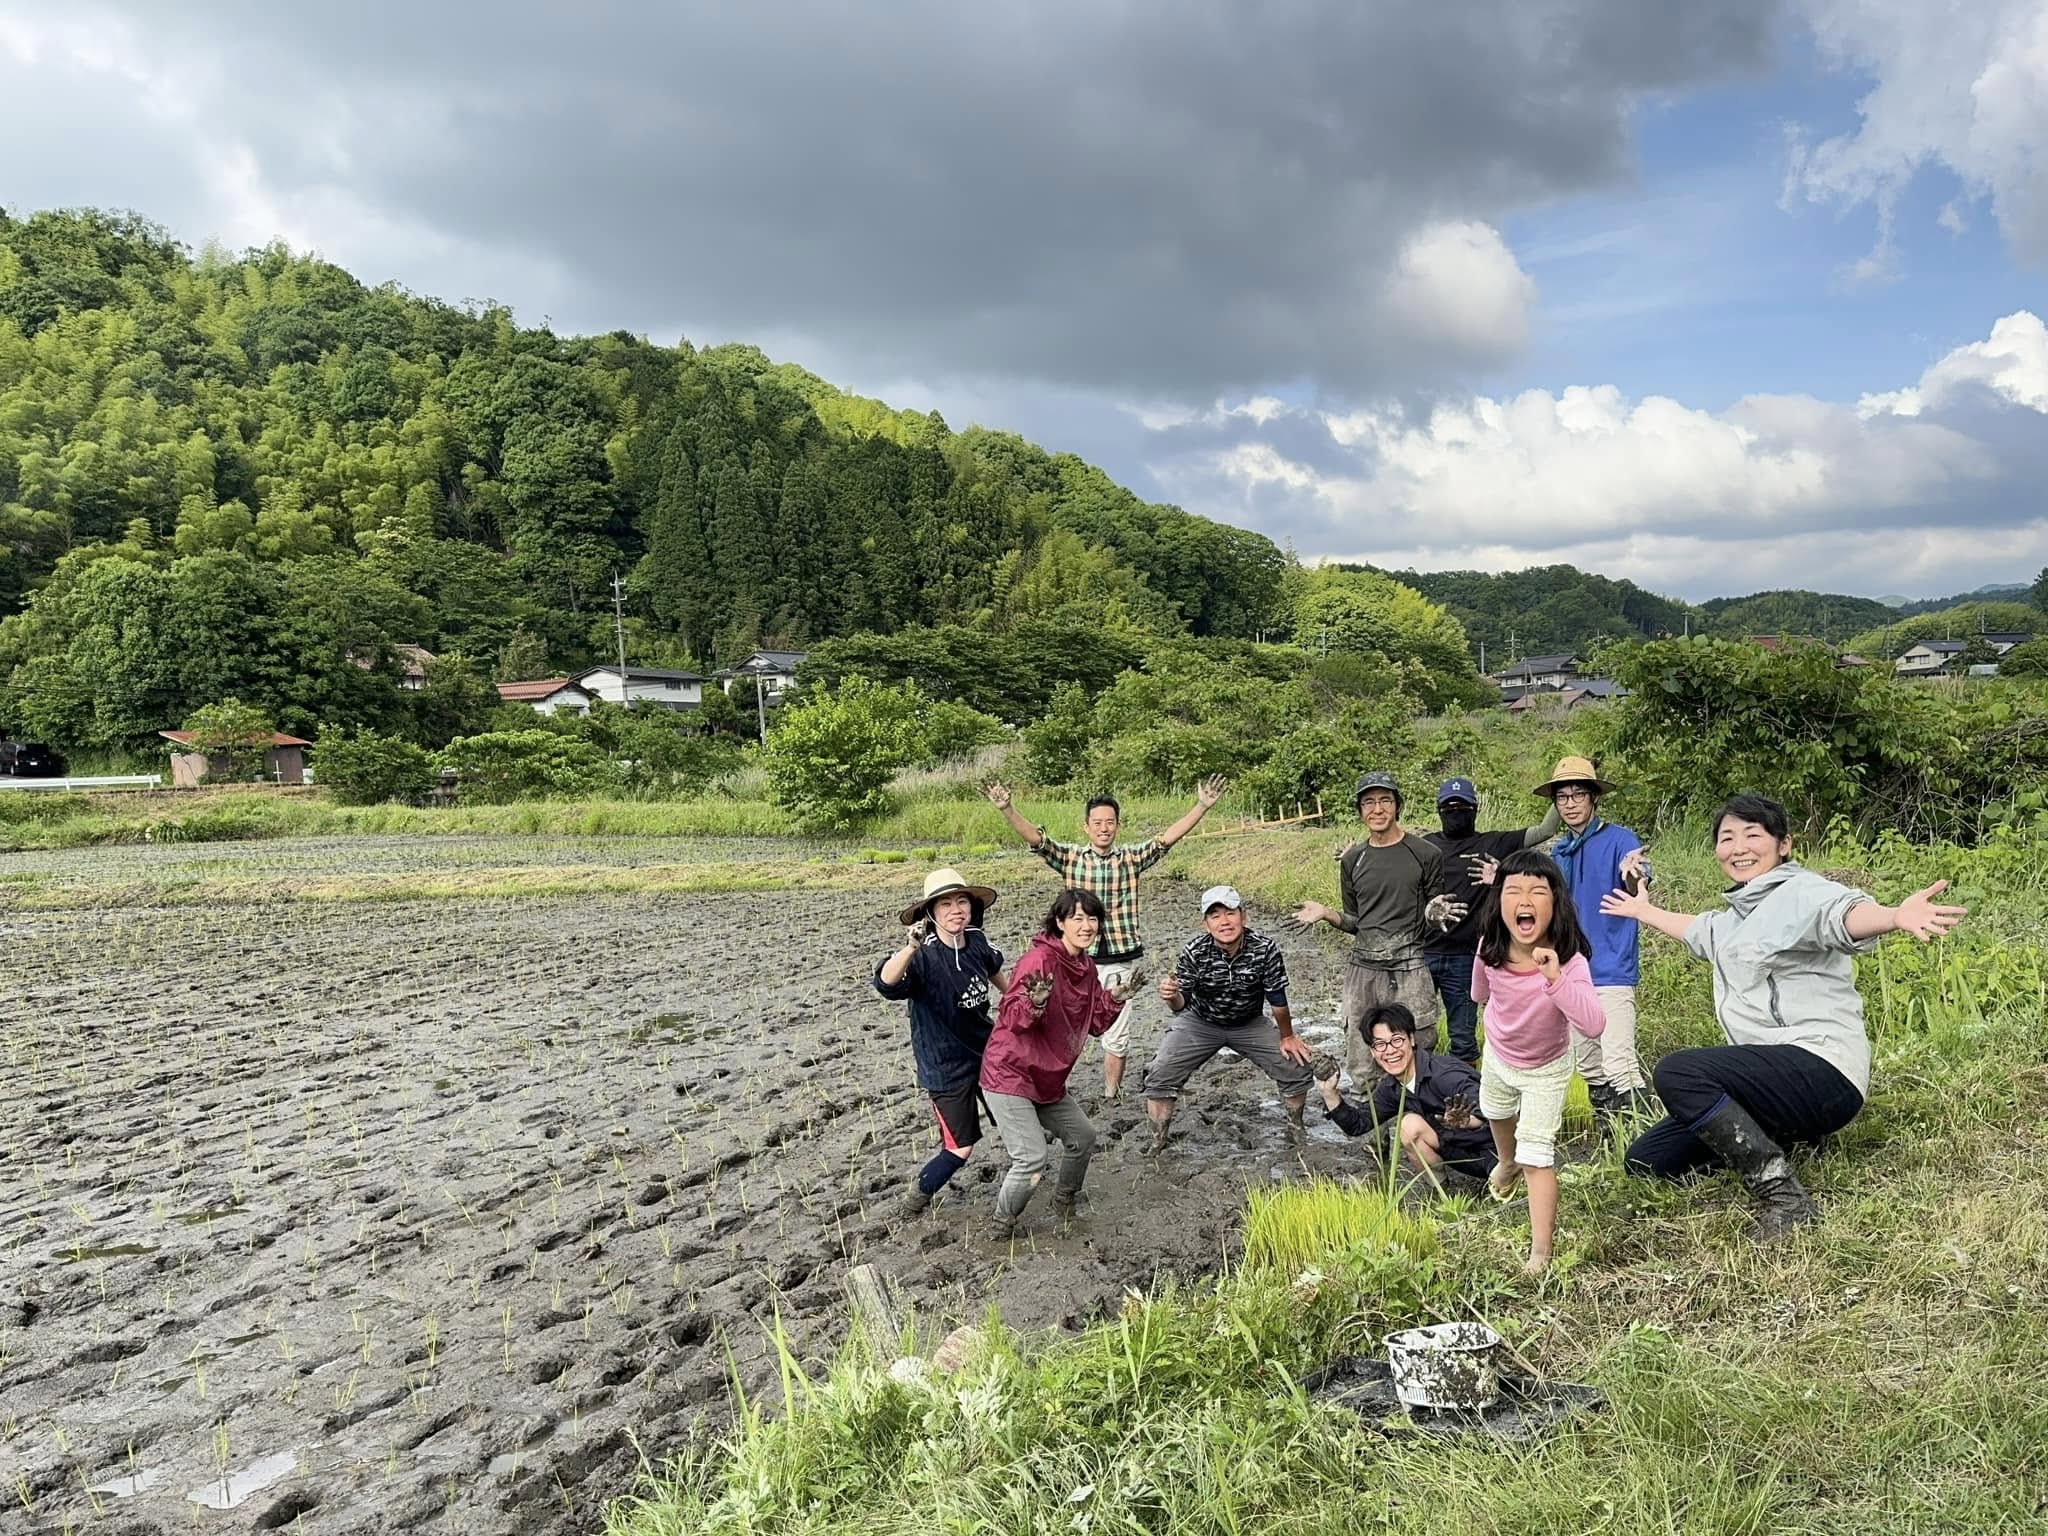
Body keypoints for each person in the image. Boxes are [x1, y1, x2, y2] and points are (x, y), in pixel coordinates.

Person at [1602, 793, 1965, 1238]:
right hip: (1776, 1084)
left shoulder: (1803, 892)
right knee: (1648, 1161)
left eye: (1752, 835)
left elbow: (1842, 915)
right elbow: (1698, 930)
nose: (1738, 848)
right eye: (1726, 838)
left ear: (1784, 844)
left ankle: (1784, 1196)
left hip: (1823, 1068)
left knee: (1679, 1073)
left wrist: (1893, 916)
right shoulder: (1734, 920)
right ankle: (1796, 1135)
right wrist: (1643, 910)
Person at [986, 775, 1229, 1097]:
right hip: (1073, 963)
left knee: (1116, 1033)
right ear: (1086, 827)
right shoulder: (1071, 858)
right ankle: (1046, 1085)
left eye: (1110, 822)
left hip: (1119, 958)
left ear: (1118, 826)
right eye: (1097, 823)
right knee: (1054, 1023)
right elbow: (1038, 840)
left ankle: (1111, 1093)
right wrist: (1007, 808)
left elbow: (1166, 840)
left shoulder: (1130, 859)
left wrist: (1201, 806)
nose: (1104, 828)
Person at [1473, 848, 1609, 1276]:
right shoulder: (1489, 947)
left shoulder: (1570, 962)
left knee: (1537, 1155)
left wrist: (1554, 978)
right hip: (1498, 1053)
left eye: (1537, 891)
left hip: (1547, 1069)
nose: (1524, 899)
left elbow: (1593, 1024)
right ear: (1499, 903)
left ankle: (1541, 1254)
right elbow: (1479, 992)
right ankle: (1505, 1162)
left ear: (1556, 903)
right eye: (1513, 890)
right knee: (1495, 1111)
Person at [980, 888, 1138, 1239]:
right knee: (1031, 1158)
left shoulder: (1086, 966)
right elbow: (1012, 1018)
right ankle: (1001, 1226)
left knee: (1083, 1136)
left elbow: (1094, 1024)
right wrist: (1034, 1004)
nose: (1086, 926)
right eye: (1077, 918)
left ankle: (1064, 1202)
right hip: (1011, 1073)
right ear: (1060, 922)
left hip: (1048, 1078)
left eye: (1092, 918)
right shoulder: (1039, 960)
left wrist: (1116, 998)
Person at [1291, 771, 1465, 1081]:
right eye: (1368, 802)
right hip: (1364, 968)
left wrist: (1434, 913)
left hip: (1409, 966)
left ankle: (1414, 1110)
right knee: (1362, 1056)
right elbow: (1357, 922)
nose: (1377, 809)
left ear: (1397, 806)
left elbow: (1433, 909)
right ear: (1360, 810)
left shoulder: (1426, 854)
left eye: (1385, 800)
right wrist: (1327, 913)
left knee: (1417, 1049)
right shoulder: (1353, 860)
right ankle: (1369, 1111)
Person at [872, 868, 1007, 1219]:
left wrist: (1022, 1001)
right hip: (945, 1067)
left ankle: (1025, 1179)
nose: (956, 910)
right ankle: (914, 1202)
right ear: (930, 913)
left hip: (988, 1054)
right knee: (960, 1149)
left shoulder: (977, 942)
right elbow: (886, 983)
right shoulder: (922, 956)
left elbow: (997, 975)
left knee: (1016, 1121)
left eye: (962, 901)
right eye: (945, 904)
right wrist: (910, 948)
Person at [1142, 884, 1315, 1153]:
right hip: (1200, 1021)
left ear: (1243, 916)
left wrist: (1288, 1036)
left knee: (1295, 1065)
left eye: (1230, 913)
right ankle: (1158, 1140)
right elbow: (1181, 1004)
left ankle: (1296, 1126)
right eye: (1215, 915)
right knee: (1160, 1073)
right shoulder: (1194, 951)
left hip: (1249, 1022)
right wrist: (1171, 995)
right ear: (1206, 924)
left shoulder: (1264, 948)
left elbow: (1278, 1000)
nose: (1224, 922)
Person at [1533, 755, 1651, 1130]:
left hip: (1611, 967)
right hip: (1572, 970)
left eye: (1578, 794)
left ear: (1593, 797)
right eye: (1562, 797)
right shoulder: (1560, 852)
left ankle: (1645, 1141)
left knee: (1619, 1062)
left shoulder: (1620, 840)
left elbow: (1635, 881)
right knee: (1588, 1063)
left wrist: (1633, 875)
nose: (1570, 803)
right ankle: (1609, 1134)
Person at [1422, 776, 1560, 1064]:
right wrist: (1354, 856)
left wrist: (1561, 788)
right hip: (1422, 954)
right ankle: (1416, 1088)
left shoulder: (1493, 843)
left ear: (1475, 809)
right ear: (1439, 811)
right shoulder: (1424, 846)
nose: (1456, 813)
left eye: (1463, 807)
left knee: (1463, 1037)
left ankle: (1464, 1087)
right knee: (1417, 1031)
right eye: (1449, 808)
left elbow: (1546, 830)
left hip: (1465, 957)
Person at [1311, 1002, 1497, 1184]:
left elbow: (1493, 1108)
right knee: (1409, 1126)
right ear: (1372, 1051)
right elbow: (1359, 1124)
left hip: (1498, 1153)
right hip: (1463, 1155)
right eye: (1380, 1044)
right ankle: (1443, 1193)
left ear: (1412, 1039)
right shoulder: (1392, 1087)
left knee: (1502, 1183)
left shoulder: (1445, 1075)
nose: (1390, 1050)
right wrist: (1330, 1094)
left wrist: (1469, 1121)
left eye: (1397, 1040)